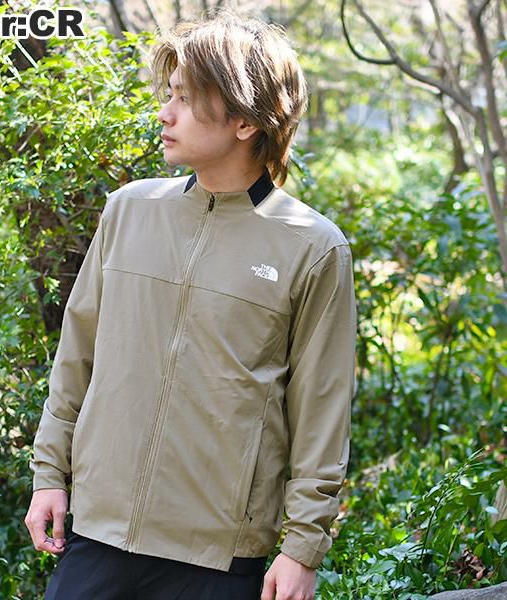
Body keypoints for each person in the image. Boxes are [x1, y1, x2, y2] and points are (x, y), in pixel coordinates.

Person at [25, 10, 356, 600]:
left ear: (245, 120)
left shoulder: (312, 247)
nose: (165, 112)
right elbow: (77, 356)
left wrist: (302, 547)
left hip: (218, 558)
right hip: (99, 533)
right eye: (169, 94)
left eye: (186, 98)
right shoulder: (129, 210)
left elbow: (321, 410)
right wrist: (49, 473)